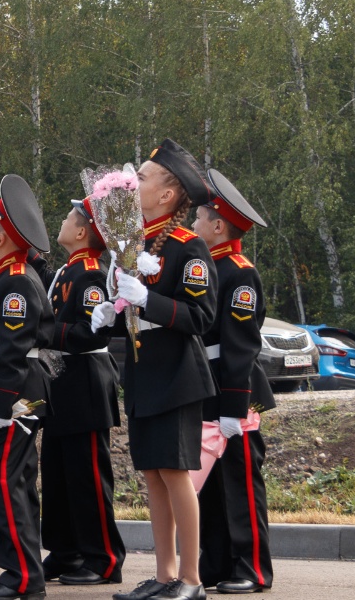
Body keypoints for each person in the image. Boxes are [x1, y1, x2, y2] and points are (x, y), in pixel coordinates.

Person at [89, 140, 218, 600]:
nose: (132, 183)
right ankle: (164, 574)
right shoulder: (134, 243)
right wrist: (112, 314)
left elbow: (200, 317)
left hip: (178, 375)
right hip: (144, 373)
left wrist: (149, 301)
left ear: (168, 194)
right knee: (153, 476)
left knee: (176, 473)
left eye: (142, 178)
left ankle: (191, 578)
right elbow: (135, 314)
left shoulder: (188, 246)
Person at [0, 174, 54, 600]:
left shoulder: (16, 280)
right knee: (12, 481)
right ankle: (23, 571)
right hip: (4, 391)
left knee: (2, 480)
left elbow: (13, 352)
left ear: (1, 237)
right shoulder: (5, 275)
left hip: (14, 394)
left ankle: (21, 576)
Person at [195, 168, 274, 595]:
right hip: (207, 385)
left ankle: (252, 568)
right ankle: (218, 562)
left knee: (241, 485)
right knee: (210, 485)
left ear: (218, 225)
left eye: (199, 219)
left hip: (235, 390)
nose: (193, 226)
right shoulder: (208, 266)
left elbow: (240, 347)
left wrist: (232, 407)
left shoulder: (239, 272)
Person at [39, 197, 125, 586]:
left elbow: (92, 334)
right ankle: (66, 551)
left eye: (68, 217)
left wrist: (43, 332)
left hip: (85, 378)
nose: (62, 220)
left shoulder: (91, 275)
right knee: (58, 472)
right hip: (62, 380)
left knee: (87, 475)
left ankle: (103, 557)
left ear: (81, 232)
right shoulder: (69, 270)